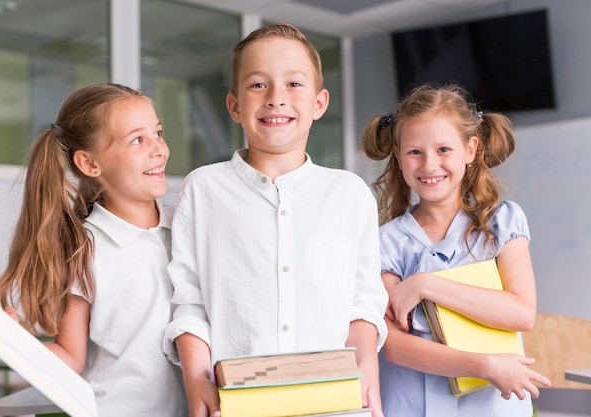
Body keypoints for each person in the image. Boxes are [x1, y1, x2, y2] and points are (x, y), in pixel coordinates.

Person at [162, 23, 388, 417]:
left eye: (294, 84)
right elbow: (189, 301)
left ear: (319, 103)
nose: (276, 98)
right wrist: (196, 378)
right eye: (257, 85)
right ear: (234, 106)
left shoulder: (349, 194)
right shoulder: (203, 189)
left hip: (333, 404)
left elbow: (363, 302)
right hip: (235, 404)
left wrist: (367, 367)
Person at [0, 83, 187, 416]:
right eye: (138, 139)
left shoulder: (186, 227)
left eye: (158, 132)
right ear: (90, 164)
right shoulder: (83, 248)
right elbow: (70, 356)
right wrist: (14, 344)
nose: (160, 149)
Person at [361, 83, 551, 417]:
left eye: (444, 150)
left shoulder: (501, 223)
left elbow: (521, 312)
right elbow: (394, 346)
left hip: (491, 406)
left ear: (470, 150)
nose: (429, 165)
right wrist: (485, 366)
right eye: (415, 152)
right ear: (398, 155)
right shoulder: (383, 242)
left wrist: (425, 284)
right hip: (410, 406)